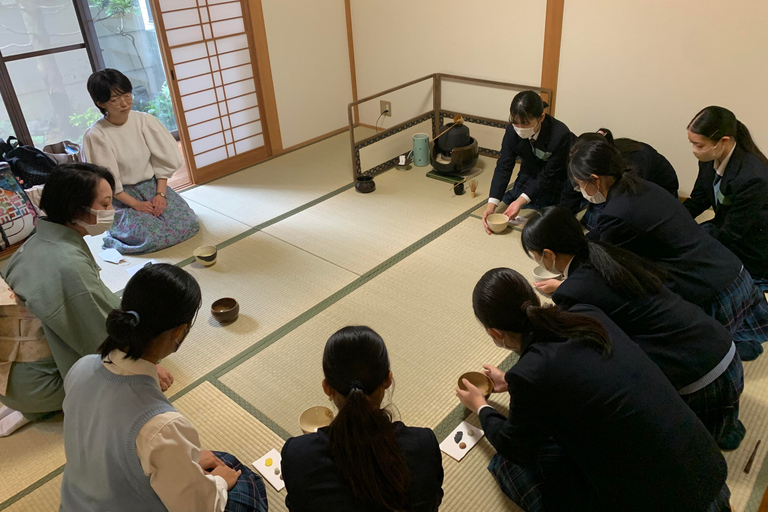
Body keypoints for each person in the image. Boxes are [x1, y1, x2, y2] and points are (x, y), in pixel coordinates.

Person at [459, 268, 730, 512]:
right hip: (707, 470)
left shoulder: (531, 373)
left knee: (514, 468)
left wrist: (481, 406)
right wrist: (512, 380)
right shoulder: (585, 314)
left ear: (495, 332)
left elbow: (516, 448)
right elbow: (578, 377)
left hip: (666, 503)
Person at [522, 205, 745, 449]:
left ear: (548, 255)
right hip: (724, 351)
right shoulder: (605, 252)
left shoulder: (573, 291)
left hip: (700, 379)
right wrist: (565, 285)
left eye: (533, 255)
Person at [60, 263, 268, 512]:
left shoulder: (81, 368)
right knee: (241, 476)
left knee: (208, 458)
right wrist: (220, 483)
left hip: (77, 503)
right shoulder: (161, 426)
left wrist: (181, 462)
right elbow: (197, 508)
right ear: (179, 332)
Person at [0, 163, 173, 437]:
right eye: (104, 204)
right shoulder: (67, 265)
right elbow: (100, 334)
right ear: (76, 210)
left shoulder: (37, 243)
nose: (111, 211)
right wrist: (147, 367)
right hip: (41, 386)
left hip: (10, 376)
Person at [569, 137, 768, 361]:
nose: (580, 190)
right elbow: (602, 235)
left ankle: (731, 346)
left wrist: (568, 284)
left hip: (711, 290)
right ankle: (737, 340)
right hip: (732, 271)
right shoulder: (639, 185)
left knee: (683, 351)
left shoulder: (618, 211)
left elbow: (608, 263)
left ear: (594, 179)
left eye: (579, 184)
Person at [281, 326, 443, 512]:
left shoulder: (297, 454)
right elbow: (433, 500)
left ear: (327, 388)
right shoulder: (424, 444)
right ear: (388, 380)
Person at [83, 68, 199, 255]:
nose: (124, 103)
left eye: (127, 95)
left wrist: (160, 195)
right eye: (115, 100)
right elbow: (106, 182)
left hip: (153, 186)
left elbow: (162, 162)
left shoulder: (144, 121)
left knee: (188, 224)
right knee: (152, 236)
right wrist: (135, 204)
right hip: (121, 197)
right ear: (101, 103)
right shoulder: (96, 135)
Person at [684, 106, 768, 291]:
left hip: (750, 246)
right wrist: (672, 221)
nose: (694, 150)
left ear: (723, 141)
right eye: (691, 143)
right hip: (724, 228)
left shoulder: (752, 177)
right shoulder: (709, 159)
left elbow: (732, 233)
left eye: (699, 145)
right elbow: (697, 200)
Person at [482, 90, 573, 234]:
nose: (519, 128)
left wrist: (520, 201)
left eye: (525, 123)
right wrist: (491, 205)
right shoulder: (512, 131)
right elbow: (504, 165)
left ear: (541, 117)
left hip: (558, 173)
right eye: (515, 122)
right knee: (515, 195)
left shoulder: (560, 134)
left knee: (552, 209)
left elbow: (549, 175)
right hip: (531, 167)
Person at [561, 129, 679, 230]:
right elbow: (570, 192)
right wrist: (561, 219)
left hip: (658, 191)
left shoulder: (632, 165)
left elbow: (625, 207)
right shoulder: (586, 161)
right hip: (611, 185)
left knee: (604, 223)